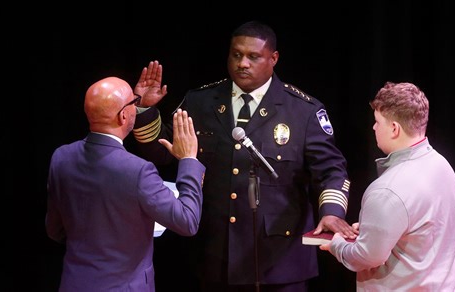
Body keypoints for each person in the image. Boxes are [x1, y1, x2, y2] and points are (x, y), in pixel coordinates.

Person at [131, 20, 357, 292]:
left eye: (253, 57)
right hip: (216, 256)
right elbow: (162, 151)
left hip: (279, 259)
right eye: (236, 55)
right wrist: (144, 109)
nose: (242, 63)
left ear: (273, 58)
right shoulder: (201, 101)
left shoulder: (302, 110)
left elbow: (331, 170)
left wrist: (331, 212)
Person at [45, 76, 206, 291]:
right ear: (123, 115)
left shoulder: (61, 157)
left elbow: (54, 229)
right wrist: (188, 160)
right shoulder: (138, 170)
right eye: (133, 103)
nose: (136, 106)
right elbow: (187, 221)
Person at [320, 81, 455, 291]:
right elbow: (423, 230)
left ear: (394, 128)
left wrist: (337, 244)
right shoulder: (443, 166)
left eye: (377, 121)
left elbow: (366, 257)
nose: (374, 127)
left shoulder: (386, 190)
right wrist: (372, 231)